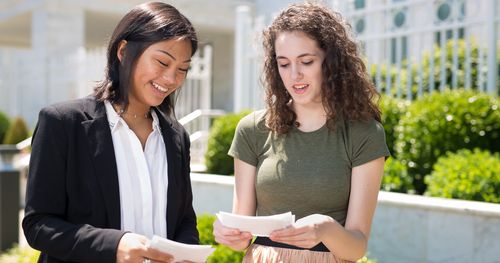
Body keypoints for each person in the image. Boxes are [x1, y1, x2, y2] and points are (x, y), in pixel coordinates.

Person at [213, 2, 390, 263]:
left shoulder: (363, 134)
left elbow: (356, 248)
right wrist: (232, 235)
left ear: (330, 62)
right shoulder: (252, 130)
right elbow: (242, 230)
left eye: (306, 61)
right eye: (283, 64)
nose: (294, 75)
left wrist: (325, 228)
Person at [22, 2, 199, 262]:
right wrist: (113, 245)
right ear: (124, 51)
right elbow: (38, 225)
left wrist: (187, 252)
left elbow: (184, 220)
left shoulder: (177, 137)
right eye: (162, 62)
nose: (172, 79)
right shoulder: (63, 123)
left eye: (182, 69)